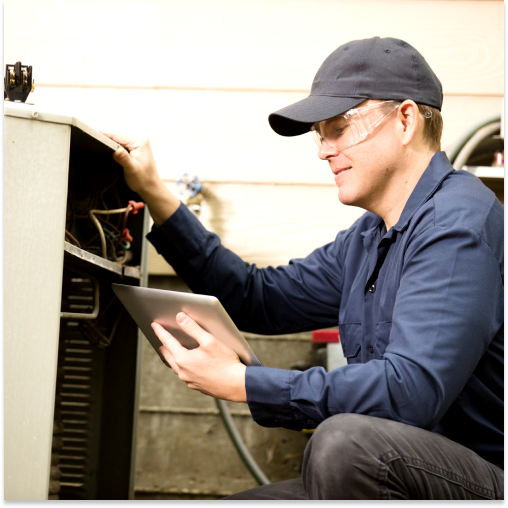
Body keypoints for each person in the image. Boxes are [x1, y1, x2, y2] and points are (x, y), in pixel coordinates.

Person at [103, 37, 504, 500]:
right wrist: (156, 193)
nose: (323, 150)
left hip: (481, 478)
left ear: (406, 119)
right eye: (321, 133)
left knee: (343, 443)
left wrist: (246, 384)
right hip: (395, 466)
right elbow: (259, 299)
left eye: (340, 127)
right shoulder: (368, 239)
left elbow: (411, 391)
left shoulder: (459, 224)